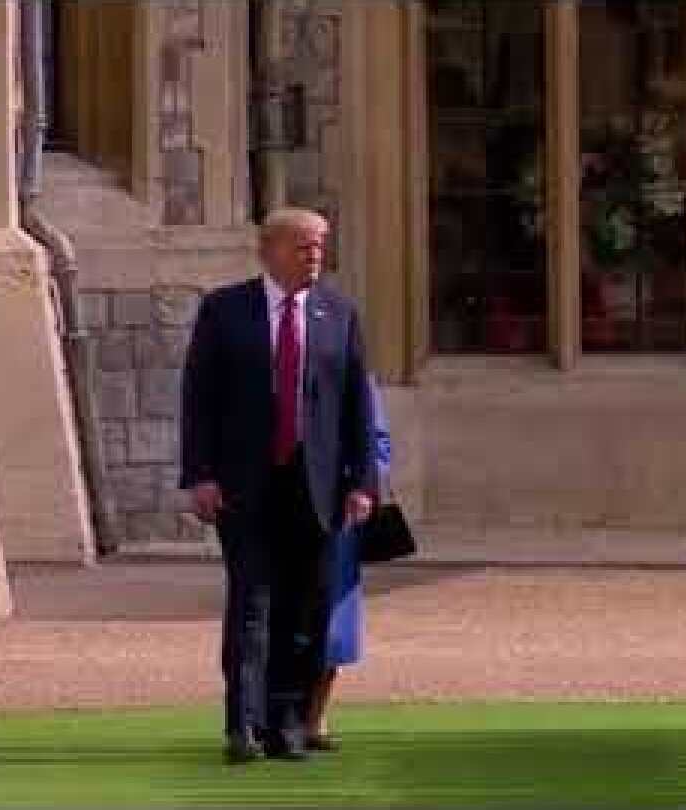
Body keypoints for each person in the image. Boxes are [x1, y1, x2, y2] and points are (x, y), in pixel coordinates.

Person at [180, 207, 378, 764]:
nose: (314, 256)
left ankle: (288, 725)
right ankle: (243, 724)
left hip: (314, 487)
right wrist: (200, 474)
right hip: (245, 485)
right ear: (269, 249)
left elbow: (356, 406)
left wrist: (362, 482)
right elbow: (199, 399)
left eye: (320, 246)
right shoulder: (225, 311)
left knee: (305, 608)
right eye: (303, 246)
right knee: (251, 604)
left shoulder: (339, 314)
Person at [302, 373, 391, 750]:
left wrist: (362, 485)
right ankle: (274, 716)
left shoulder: (352, 373)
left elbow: (378, 444)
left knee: (333, 622)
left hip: (337, 511)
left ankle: (315, 717)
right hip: (281, 506)